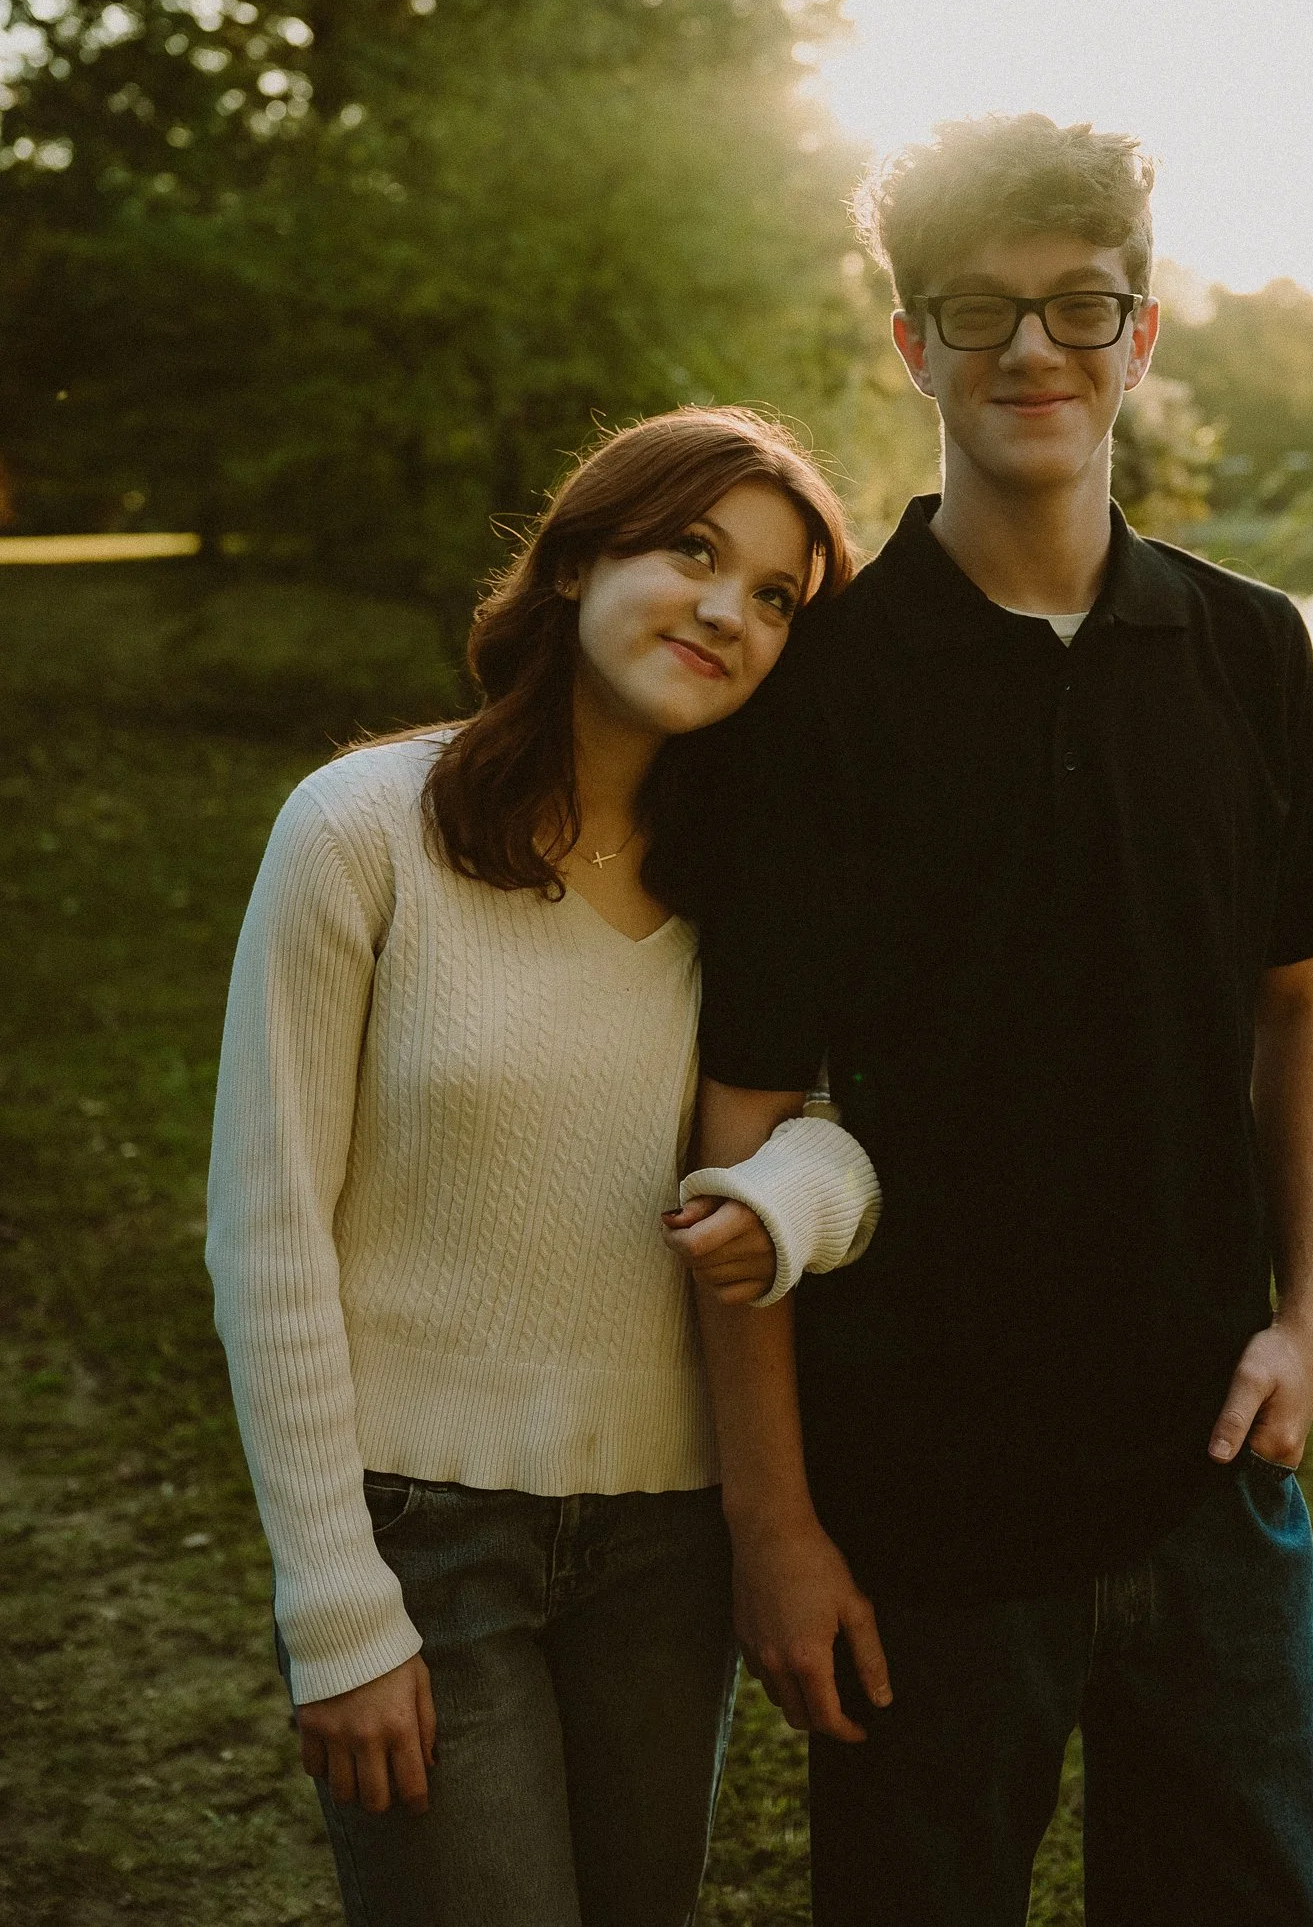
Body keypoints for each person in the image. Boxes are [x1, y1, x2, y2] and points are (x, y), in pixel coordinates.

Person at [671, 116, 1313, 1927]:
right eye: (977, 316)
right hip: (918, 1500)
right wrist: (779, 1524)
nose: (1031, 354)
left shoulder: (1248, 651)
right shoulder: (820, 688)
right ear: (910, 349)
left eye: (1079, 307)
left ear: (1142, 336)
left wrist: (1306, 1320)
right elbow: (737, 1119)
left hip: (1210, 1483)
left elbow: (1302, 1009)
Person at [206, 407, 881, 1927]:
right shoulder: (362, 832)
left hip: (667, 1545)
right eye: (691, 551)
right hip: (422, 1540)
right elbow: (267, 1238)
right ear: (577, 560)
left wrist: (788, 1200)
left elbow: (849, 1142)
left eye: (777, 596)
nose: (727, 610)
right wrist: (335, 1611)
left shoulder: (754, 882)